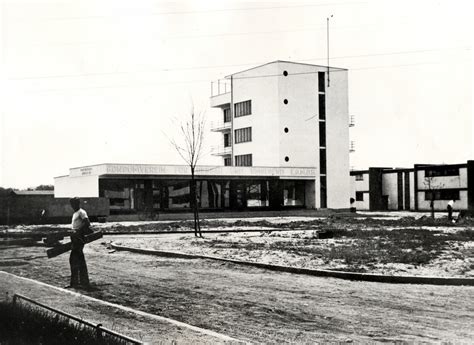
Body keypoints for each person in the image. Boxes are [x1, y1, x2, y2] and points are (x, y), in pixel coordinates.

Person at [67, 197, 92, 288]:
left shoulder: (82, 212)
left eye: (74, 204)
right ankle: (82, 282)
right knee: (79, 259)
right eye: (71, 204)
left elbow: (87, 223)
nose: (72, 206)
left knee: (74, 259)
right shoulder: (75, 213)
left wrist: (78, 231)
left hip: (79, 238)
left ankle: (77, 283)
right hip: (74, 237)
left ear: (77, 204)